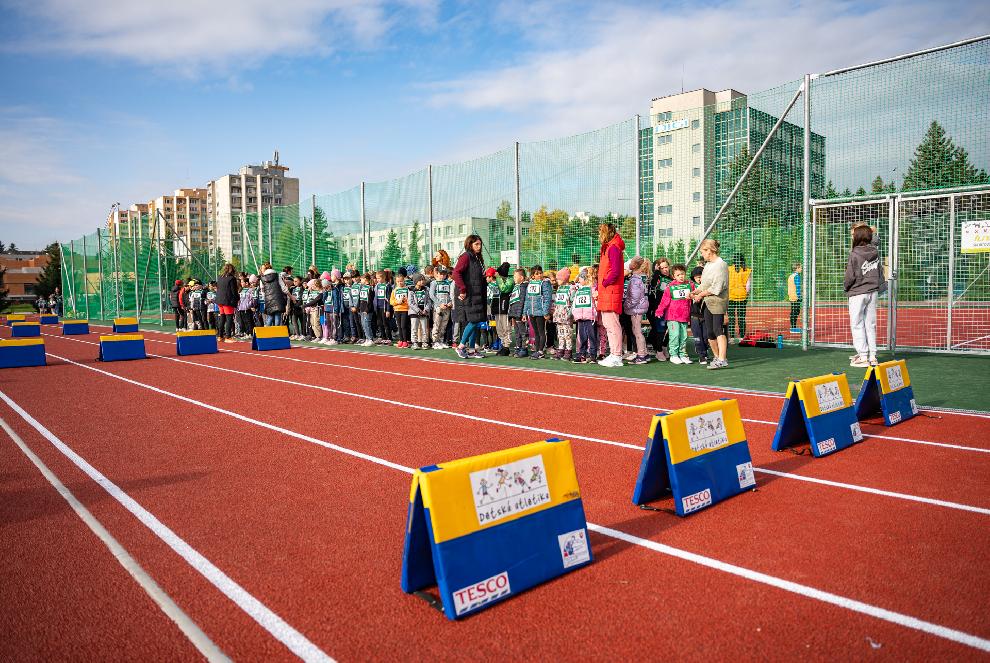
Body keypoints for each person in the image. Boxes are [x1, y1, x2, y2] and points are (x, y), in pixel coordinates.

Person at [844, 224, 882, 367]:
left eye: (853, 234)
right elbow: (878, 272)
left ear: (858, 236)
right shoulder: (875, 252)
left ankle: (863, 356)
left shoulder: (854, 253)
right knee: (870, 324)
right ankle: (872, 356)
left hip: (857, 292)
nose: (852, 236)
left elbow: (850, 276)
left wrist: (846, 287)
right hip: (873, 291)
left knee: (857, 323)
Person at [690, 239, 730, 369]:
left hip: (718, 302)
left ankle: (722, 359)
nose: (702, 254)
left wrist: (700, 295)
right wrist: (695, 291)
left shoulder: (721, 264)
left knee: (718, 329)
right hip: (707, 302)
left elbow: (717, 287)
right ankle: (717, 357)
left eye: (703, 251)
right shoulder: (707, 265)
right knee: (710, 333)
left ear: (710, 250)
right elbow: (704, 284)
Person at [451, 234, 488, 359]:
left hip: (477, 294)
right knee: (473, 320)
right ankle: (461, 346)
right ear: (470, 244)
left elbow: (475, 276)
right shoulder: (466, 256)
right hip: (469, 295)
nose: (479, 246)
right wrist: (462, 289)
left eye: (480, 244)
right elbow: (456, 273)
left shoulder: (477, 258)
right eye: (476, 244)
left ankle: (472, 349)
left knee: (476, 320)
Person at [596, 223, 626, 367]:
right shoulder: (609, 247)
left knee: (613, 324)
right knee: (609, 324)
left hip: (611, 290)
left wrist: (605, 282)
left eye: (600, 232)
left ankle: (617, 355)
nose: (598, 235)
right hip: (606, 291)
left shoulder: (613, 248)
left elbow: (615, 271)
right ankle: (614, 353)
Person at [655, 264, 693, 364]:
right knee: (674, 335)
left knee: (684, 336)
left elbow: (695, 296)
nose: (681, 276)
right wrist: (659, 310)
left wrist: (693, 296)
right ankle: (674, 354)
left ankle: (683, 354)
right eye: (678, 275)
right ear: (674, 276)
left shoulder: (690, 285)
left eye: (682, 274)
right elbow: (664, 300)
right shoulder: (670, 287)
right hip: (672, 316)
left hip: (684, 315)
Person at [623, 257, 651, 364]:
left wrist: (626, 306)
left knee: (637, 332)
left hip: (635, 309)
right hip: (640, 306)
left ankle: (641, 355)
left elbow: (634, 297)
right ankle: (645, 353)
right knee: (638, 331)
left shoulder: (635, 279)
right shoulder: (644, 277)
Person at [522, 265, 552, 360]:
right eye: (537, 273)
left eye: (540, 273)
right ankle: (537, 350)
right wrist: (524, 313)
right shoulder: (530, 284)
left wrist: (545, 312)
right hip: (531, 312)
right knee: (536, 333)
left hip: (540, 312)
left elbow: (547, 298)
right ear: (533, 275)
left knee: (541, 332)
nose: (539, 275)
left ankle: (540, 351)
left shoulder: (545, 283)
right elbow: (527, 299)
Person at [647, 258, 672, 361]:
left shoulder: (672, 279)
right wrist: (657, 272)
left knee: (671, 329)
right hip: (658, 309)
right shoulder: (657, 278)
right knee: (660, 330)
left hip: (671, 308)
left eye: (666, 267)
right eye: (661, 268)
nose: (664, 270)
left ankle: (664, 346)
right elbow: (652, 284)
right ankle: (659, 351)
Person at [571, 268, 597, 363]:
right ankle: (582, 354)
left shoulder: (592, 288)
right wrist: (574, 313)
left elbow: (596, 300)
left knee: (592, 336)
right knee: (582, 336)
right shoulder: (578, 289)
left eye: (581, 278)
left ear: (586, 279)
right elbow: (574, 301)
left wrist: (595, 312)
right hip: (580, 317)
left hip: (590, 316)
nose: (579, 280)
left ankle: (593, 355)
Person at [551, 267, 575, 360]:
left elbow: (572, 302)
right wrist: (554, 312)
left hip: (566, 317)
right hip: (558, 316)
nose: (557, 281)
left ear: (564, 278)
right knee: (560, 334)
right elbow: (557, 302)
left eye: (559, 279)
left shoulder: (571, 288)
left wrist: (570, 313)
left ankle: (568, 351)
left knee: (567, 334)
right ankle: (560, 349)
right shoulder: (559, 288)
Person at [727, 253, 751, 342]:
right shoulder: (747, 270)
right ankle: (741, 337)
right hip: (742, 297)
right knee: (741, 317)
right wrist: (746, 293)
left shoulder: (728, 269)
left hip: (730, 296)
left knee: (731, 318)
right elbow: (748, 286)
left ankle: (732, 338)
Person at [429, 266, 455, 349]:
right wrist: (439, 304)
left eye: (444, 274)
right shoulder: (434, 283)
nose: (442, 276)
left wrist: (450, 302)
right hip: (438, 307)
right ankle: (434, 341)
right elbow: (432, 295)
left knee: (444, 325)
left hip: (447, 307)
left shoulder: (448, 283)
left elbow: (450, 294)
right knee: (437, 324)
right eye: (441, 274)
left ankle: (441, 340)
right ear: (437, 273)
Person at [215, 264, 240, 343]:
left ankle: (220, 336)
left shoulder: (220, 277)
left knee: (222, 318)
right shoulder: (232, 278)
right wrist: (237, 299)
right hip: (227, 301)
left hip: (219, 300)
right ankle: (228, 336)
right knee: (229, 318)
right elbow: (234, 291)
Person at [689, 266, 709, 365]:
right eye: (697, 277)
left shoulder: (708, 286)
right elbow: (688, 294)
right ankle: (702, 355)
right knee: (697, 337)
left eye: (701, 276)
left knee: (706, 336)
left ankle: (705, 350)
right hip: (694, 316)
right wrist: (692, 295)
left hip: (706, 315)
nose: (699, 279)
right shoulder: (691, 286)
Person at [260, 262, 290, 327]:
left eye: (262, 268)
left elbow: (262, 291)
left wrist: (265, 298)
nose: (261, 270)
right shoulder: (277, 275)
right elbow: (283, 287)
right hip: (278, 298)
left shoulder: (262, 278)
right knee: (277, 315)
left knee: (270, 316)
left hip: (268, 299)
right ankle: (276, 332)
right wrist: (290, 296)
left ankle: (267, 333)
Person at [508, 268, 529, 357]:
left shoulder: (523, 287)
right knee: (516, 332)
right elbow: (512, 301)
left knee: (523, 332)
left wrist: (520, 313)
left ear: (521, 277)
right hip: (514, 313)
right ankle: (518, 347)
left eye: (515, 276)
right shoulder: (516, 287)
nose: (514, 278)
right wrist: (511, 313)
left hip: (519, 314)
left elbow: (522, 301)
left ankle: (524, 349)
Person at [408, 274, 432, 349]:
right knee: (414, 328)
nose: (423, 281)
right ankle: (414, 342)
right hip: (414, 313)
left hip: (424, 312)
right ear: (416, 281)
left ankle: (424, 342)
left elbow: (429, 301)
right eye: (420, 280)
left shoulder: (426, 289)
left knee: (424, 328)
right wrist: (418, 310)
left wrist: (426, 309)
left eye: (423, 280)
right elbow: (410, 302)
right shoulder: (411, 290)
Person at [390, 272, 411, 348]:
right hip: (397, 310)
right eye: (398, 281)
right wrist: (397, 302)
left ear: (404, 280)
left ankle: (405, 341)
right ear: (396, 281)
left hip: (405, 310)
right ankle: (401, 340)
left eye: (401, 281)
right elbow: (391, 301)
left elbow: (410, 300)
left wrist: (406, 300)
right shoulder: (394, 290)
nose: (400, 283)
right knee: (399, 326)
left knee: (403, 326)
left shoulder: (407, 289)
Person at [372, 271, 393, 345]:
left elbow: (388, 299)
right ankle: (383, 337)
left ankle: (389, 338)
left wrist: (388, 310)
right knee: (380, 323)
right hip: (378, 308)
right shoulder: (377, 286)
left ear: (383, 277)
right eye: (376, 278)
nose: (377, 280)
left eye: (379, 278)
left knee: (386, 323)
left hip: (384, 308)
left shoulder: (387, 286)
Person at [237, 275, 258, 340]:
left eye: (242, 282)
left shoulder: (251, 290)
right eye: (241, 282)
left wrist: (250, 305)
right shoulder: (241, 290)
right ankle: (246, 333)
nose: (241, 284)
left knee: (248, 321)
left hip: (247, 309)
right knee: (243, 321)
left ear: (246, 283)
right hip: (241, 309)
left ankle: (250, 333)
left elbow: (253, 299)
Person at [787, 263, 803, 333]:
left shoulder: (790, 276)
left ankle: (793, 327)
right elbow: (798, 287)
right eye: (800, 268)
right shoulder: (796, 276)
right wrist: (799, 296)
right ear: (797, 268)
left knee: (794, 311)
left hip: (791, 295)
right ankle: (793, 328)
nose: (801, 269)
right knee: (795, 311)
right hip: (795, 296)